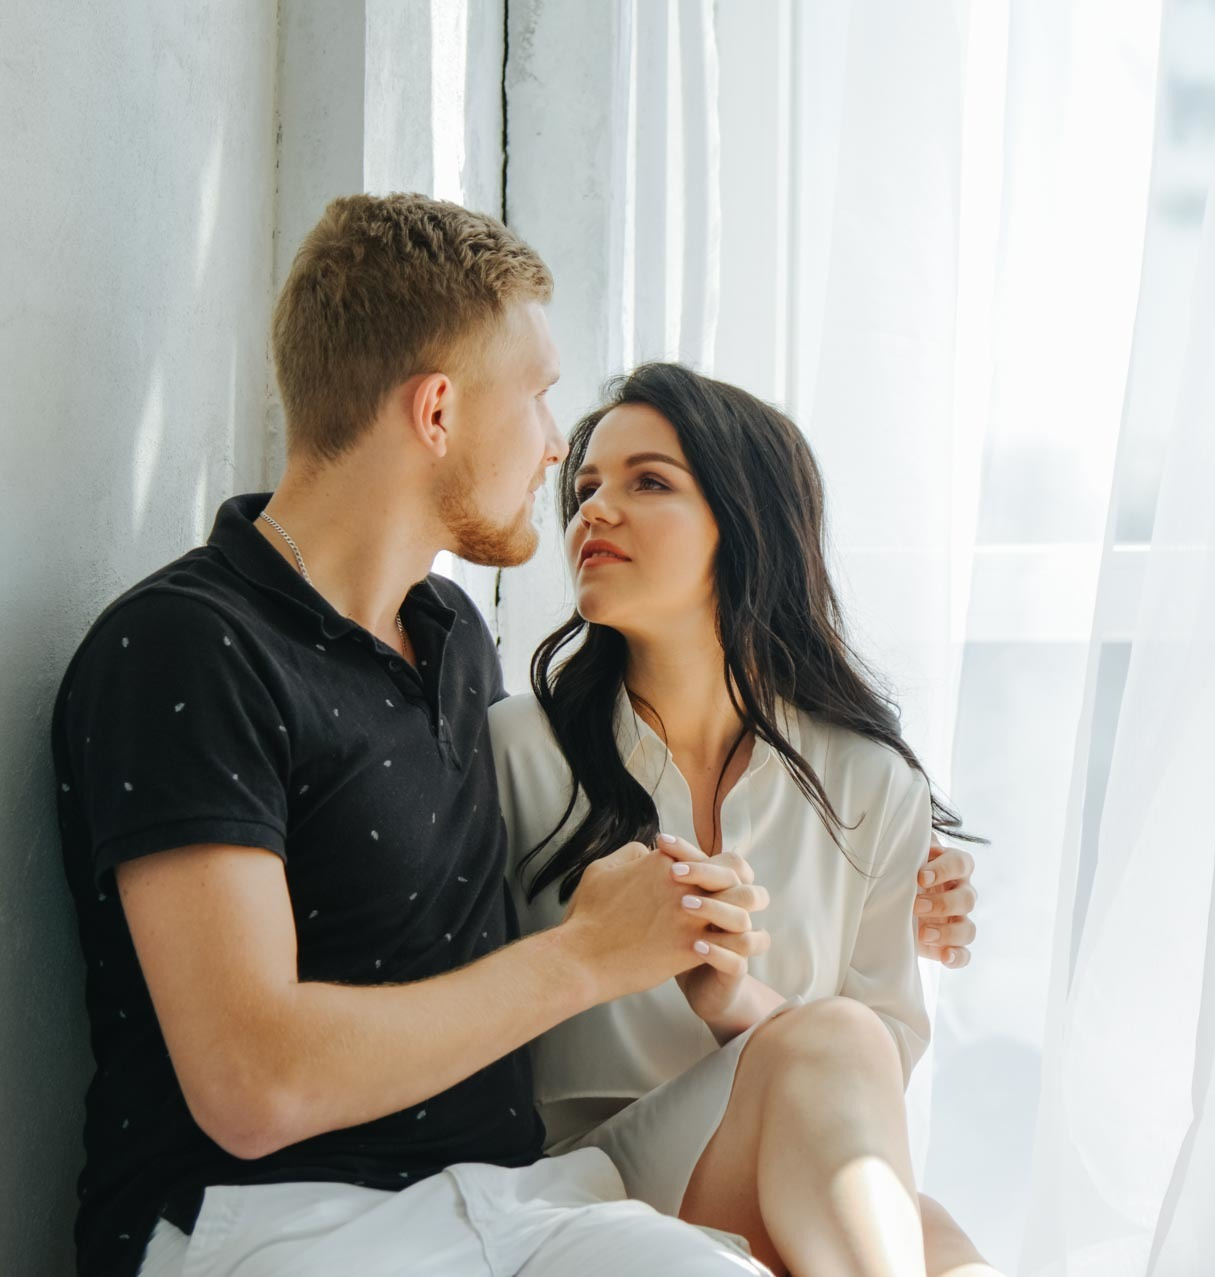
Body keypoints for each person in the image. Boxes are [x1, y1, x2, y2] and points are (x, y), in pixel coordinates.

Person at [50, 193, 977, 1277]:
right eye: (539, 402)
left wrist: (886, 889)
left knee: (914, 1215)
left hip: (510, 1199)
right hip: (278, 1224)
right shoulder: (186, 647)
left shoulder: (445, 648)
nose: (554, 454)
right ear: (437, 411)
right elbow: (254, 1084)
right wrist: (588, 953)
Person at [491, 363, 996, 1277]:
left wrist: (736, 1005)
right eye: (586, 487)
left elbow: (867, 1087)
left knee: (950, 1250)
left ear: (745, 522)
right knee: (916, 1215)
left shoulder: (871, 784)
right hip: (587, 1181)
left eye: (648, 481)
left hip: (779, 1169)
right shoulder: (515, 752)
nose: (594, 511)